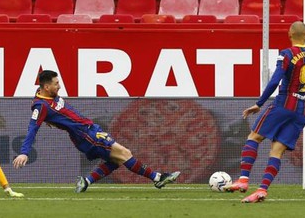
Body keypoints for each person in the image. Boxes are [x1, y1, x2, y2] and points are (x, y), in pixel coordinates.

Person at [13, 70, 180, 192]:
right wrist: (24, 152)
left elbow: (51, 112)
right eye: (56, 84)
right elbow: (32, 128)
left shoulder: (45, 95)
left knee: (115, 160)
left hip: (90, 130)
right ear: (47, 86)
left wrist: (50, 120)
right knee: (124, 153)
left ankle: (86, 181)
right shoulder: (40, 105)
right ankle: (158, 178)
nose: (60, 86)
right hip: (86, 134)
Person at [226, 21, 305, 203]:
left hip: (283, 104)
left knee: (254, 137)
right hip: (302, 111)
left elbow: (275, 81)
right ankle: (262, 190)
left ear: (289, 34)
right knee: (277, 151)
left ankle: (243, 180)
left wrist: (259, 103)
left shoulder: (287, 54)